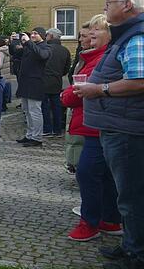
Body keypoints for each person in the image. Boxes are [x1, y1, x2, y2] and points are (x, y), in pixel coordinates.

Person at [75, 0, 144, 268]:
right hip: (119, 124)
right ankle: (130, 244)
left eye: (108, 3)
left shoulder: (136, 36)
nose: (105, 8)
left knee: (131, 196)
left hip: (127, 129)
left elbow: (139, 81)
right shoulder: (127, 34)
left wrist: (99, 89)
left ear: (126, 5)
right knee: (125, 193)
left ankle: (136, 255)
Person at [62, 13, 122, 242]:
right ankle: (110, 218)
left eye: (97, 30)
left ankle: (90, 222)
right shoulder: (95, 56)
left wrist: (66, 95)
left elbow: (86, 87)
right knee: (103, 173)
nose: (90, 35)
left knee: (87, 172)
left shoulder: (103, 58)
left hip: (98, 122)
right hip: (97, 121)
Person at [15, 27, 52, 147]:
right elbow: (16, 53)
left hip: (36, 83)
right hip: (25, 82)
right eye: (32, 33)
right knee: (26, 110)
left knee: (35, 111)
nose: (33, 35)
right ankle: (29, 134)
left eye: (36, 34)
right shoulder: (30, 46)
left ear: (42, 35)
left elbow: (42, 55)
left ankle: (37, 137)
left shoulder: (45, 47)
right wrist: (16, 42)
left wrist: (29, 43)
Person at [65, 22, 92, 175]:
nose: (81, 39)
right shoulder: (82, 53)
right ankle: (73, 163)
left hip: (83, 103)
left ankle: (78, 165)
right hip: (75, 98)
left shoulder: (94, 57)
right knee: (73, 137)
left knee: (80, 140)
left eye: (84, 36)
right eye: (79, 36)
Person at [42, 28, 72, 137]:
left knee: (44, 106)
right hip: (57, 81)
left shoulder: (45, 48)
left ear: (50, 36)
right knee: (57, 107)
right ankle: (57, 130)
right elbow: (67, 68)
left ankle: (47, 129)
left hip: (44, 80)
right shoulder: (65, 50)